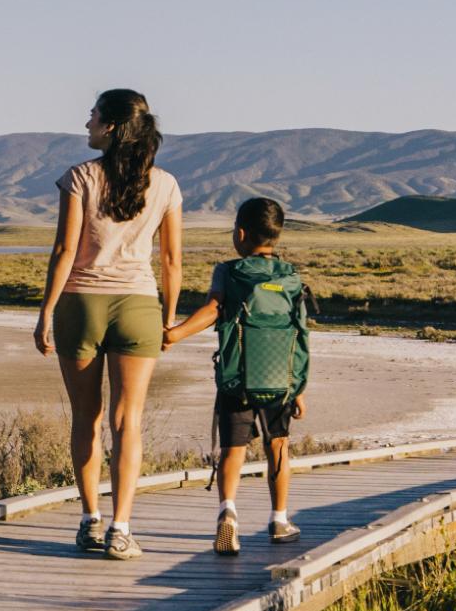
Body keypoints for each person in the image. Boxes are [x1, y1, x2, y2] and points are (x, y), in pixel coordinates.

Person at [35, 89, 182, 561]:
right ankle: (121, 528)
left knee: (86, 417)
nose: (87, 124)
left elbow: (64, 251)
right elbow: (172, 260)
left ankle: (89, 520)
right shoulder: (166, 185)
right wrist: (169, 316)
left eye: (93, 115)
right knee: (128, 421)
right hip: (139, 306)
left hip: (81, 304)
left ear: (113, 126)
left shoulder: (79, 178)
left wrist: (44, 313)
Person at [165, 197, 311, 554]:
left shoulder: (229, 272)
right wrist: (299, 387)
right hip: (280, 379)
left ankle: (227, 513)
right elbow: (300, 334)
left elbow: (213, 309)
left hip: (236, 378)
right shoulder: (291, 278)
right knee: (278, 447)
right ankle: (279, 520)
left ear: (241, 233)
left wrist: (175, 333)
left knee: (233, 450)